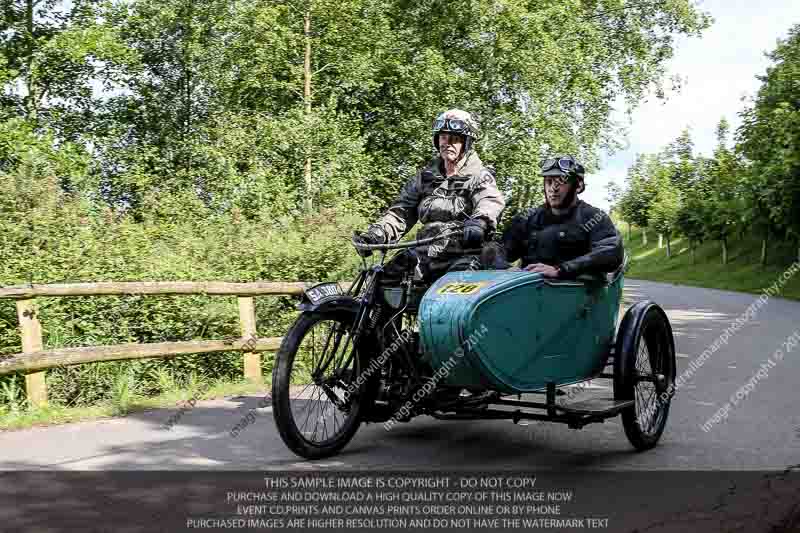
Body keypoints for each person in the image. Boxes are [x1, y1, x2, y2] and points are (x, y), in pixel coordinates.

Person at [353, 109, 505, 281]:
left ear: (466, 143)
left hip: (464, 253)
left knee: (457, 286)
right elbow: (401, 212)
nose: (447, 143)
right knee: (382, 281)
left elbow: (490, 201)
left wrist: (480, 222)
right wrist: (376, 234)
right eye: (443, 137)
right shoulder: (425, 178)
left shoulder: (479, 176)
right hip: (424, 253)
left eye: (454, 139)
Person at [484, 155, 623, 278]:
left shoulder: (594, 217)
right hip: (529, 294)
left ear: (578, 186)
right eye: (549, 181)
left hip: (578, 299)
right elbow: (496, 249)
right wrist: (506, 269)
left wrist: (561, 270)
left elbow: (610, 253)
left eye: (561, 182)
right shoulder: (527, 218)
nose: (553, 188)